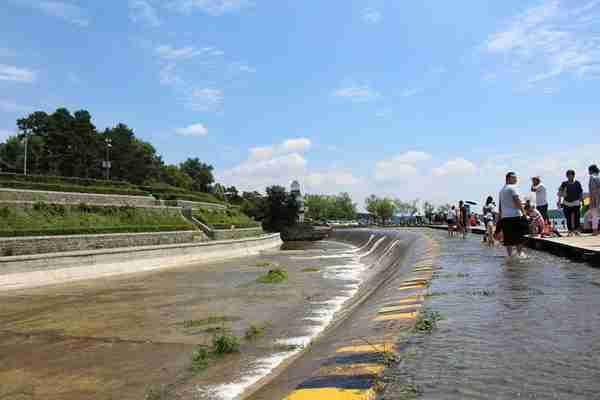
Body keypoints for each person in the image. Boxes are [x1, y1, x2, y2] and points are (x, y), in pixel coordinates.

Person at [499, 171, 528, 259]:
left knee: (508, 238)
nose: (516, 179)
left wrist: (500, 217)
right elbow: (517, 200)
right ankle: (519, 254)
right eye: (514, 178)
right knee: (520, 236)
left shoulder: (501, 190)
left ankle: (510, 255)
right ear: (508, 178)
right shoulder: (512, 188)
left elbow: (500, 206)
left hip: (505, 217)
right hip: (515, 215)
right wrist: (524, 212)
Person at [557, 169, 583, 236]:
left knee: (577, 217)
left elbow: (580, 193)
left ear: (573, 176)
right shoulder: (564, 183)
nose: (570, 176)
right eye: (568, 175)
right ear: (567, 176)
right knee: (568, 218)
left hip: (576, 202)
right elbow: (560, 192)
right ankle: (570, 231)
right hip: (566, 203)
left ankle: (577, 230)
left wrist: (582, 201)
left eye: (571, 175)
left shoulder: (577, 183)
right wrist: (559, 201)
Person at [589, 164, 600, 236]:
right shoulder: (598, 176)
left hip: (595, 198)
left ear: (591, 170)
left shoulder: (592, 177)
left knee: (594, 215)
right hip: (597, 197)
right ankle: (595, 231)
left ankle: (595, 231)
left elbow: (594, 188)